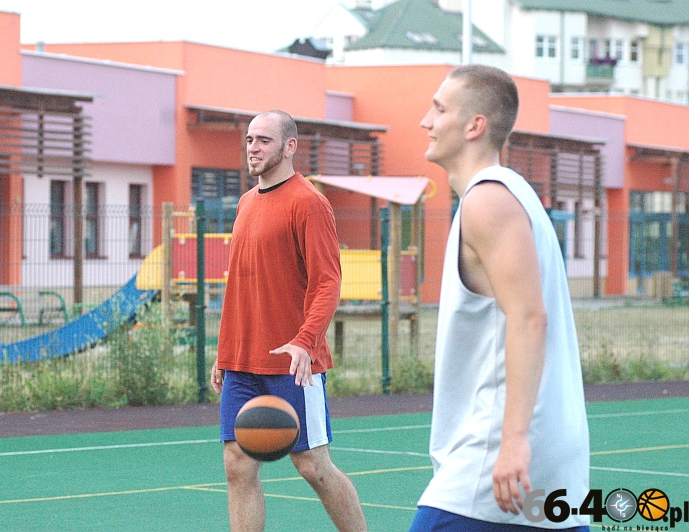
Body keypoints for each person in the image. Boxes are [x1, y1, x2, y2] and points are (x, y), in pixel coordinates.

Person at [410, 65, 590, 531]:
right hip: (545, 464)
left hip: (493, 463)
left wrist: (513, 440)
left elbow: (530, 318)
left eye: (439, 108)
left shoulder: (487, 201)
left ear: (475, 126)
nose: (425, 121)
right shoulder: (513, 196)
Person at [210, 110, 367, 532]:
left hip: (295, 363)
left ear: (289, 146)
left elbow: (328, 283)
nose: (253, 148)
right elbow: (241, 283)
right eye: (249, 140)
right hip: (242, 362)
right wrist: (224, 353)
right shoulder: (245, 203)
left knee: (313, 466)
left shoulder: (309, 203)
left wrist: (305, 340)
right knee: (236, 465)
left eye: (263, 140)